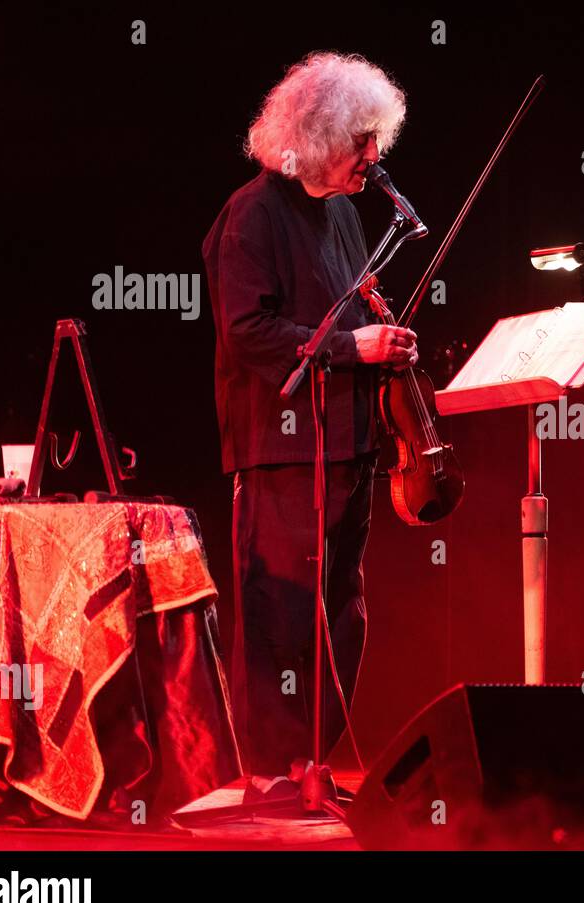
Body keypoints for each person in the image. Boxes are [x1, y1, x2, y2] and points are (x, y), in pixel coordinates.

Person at [202, 52, 417, 788]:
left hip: (348, 444)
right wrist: (351, 343)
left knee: (342, 611)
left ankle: (316, 762)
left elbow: (353, 312)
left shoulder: (347, 216)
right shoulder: (250, 214)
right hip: (279, 450)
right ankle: (266, 772)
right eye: (362, 139)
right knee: (280, 614)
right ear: (320, 134)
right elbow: (246, 331)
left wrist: (381, 338)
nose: (373, 155)